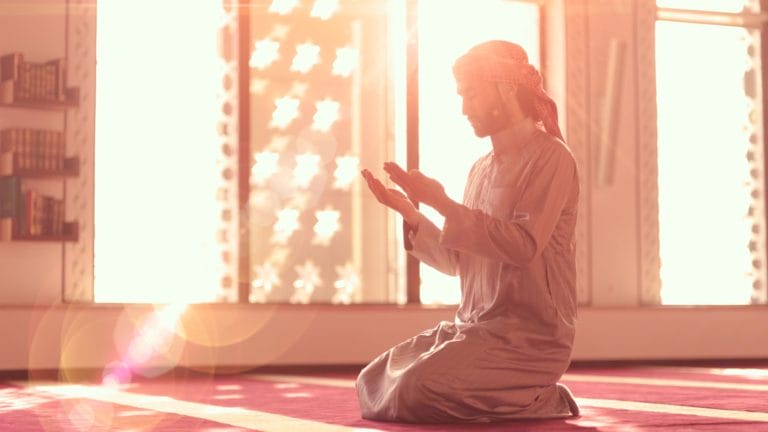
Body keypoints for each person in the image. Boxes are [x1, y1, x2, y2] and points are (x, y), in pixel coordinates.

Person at [356, 40, 581, 423]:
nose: (464, 109)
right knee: (372, 380)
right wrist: (411, 211)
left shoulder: (552, 158)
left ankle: (541, 397)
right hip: (473, 330)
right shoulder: (480, 169)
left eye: (472, 95)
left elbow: (523, 246)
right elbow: (458, 262)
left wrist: (441, 202)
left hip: (527, 339)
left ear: (506, 89)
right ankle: (509, 393)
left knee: (414, 387)